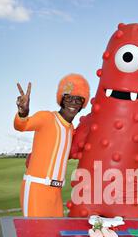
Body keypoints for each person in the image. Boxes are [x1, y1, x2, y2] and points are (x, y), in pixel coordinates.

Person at [14, 74, 90, 217]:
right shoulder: (47, 117)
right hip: (37, 189)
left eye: (78, 99)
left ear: (82, 105)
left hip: (56, 192)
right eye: (68, 97)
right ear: (61, 99)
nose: (73, 103)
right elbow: (22, 125)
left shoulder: (70, 129)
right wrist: (22, 112)